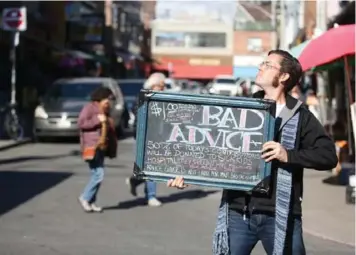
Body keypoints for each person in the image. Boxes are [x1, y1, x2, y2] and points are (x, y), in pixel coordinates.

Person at [167, 50, 338, 255]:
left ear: (284, 76)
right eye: (262, 63)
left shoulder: (301, 116)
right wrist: (188, 173)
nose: (260, 67)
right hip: (239, 212)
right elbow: (214, 149)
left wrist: (288, 155)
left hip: (280, 215)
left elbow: (328, 156)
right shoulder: (243, 109)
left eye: (268, 65)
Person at [125, 72, 166, 207]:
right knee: (149, 168)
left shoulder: (159, 98)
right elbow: (140, 118)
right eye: (161, 85)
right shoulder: (145, 98)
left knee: (148, 168)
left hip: (154, 137)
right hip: (144, 137)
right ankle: (151, 196)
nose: (163, 88)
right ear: (154, 85)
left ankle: (136, 182)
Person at [78, 87, 117, 213]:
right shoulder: (89, 108)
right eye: (108, 99)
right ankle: (85, 197)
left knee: (97, 175)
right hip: (91, 146)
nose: (109, 102)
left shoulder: (105, 110)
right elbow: (81, 123)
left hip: (101, 146)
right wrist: (97, 120)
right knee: (98, 174)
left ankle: (91, 201)